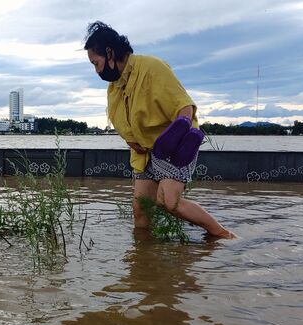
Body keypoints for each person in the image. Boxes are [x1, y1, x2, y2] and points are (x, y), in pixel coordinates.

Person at [84, 21, 235, 239]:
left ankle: (222, 235)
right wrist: (129, 141)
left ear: (109, 53)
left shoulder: (152, 68)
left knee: (169, 202)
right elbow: (122, 120)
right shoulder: (115, 86)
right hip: (144, 153)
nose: (96, 71)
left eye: (96, 63)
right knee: (141, 209)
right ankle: (144, 259)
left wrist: (181, 131)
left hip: (175, 147)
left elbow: (184, 106)